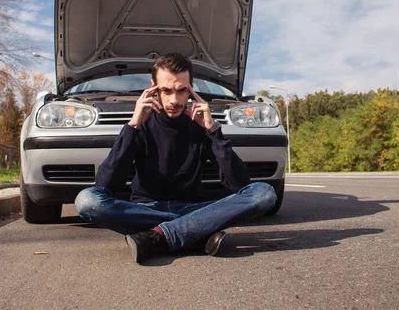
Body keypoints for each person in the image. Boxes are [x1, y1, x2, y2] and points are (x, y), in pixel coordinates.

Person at [74, 52, 277, 264]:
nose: (174, 100)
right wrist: (132, 126)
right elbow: (105, 186)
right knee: (86, 201)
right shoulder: (140, 126)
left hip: (194, 207)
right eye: (166, 90)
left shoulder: (200, 125)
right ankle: (195, 232)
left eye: (181, 91)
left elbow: (240, 185)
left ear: (191, 87)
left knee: (264, 194)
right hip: (145, 209)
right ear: (153, 88)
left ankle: (156, 236)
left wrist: (213, 130)